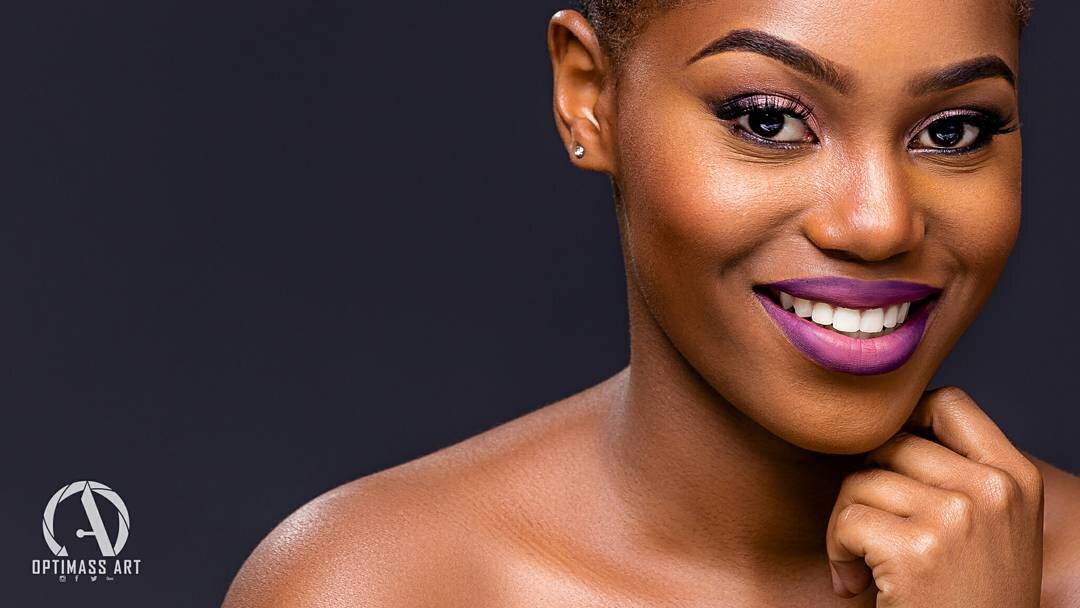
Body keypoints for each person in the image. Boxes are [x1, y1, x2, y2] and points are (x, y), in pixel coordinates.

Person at [222, 1, 1080, 606]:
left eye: (953, 130)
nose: (878, 223)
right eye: (769, 121)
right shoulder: (378, 589)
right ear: (590, 95)